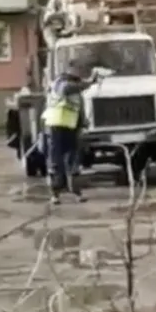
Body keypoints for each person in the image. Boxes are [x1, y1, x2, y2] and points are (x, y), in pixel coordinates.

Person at [41, 60, 97, 205]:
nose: (79, 73)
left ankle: (76, 192)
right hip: (56, 127)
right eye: (77, 69)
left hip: (71, 126)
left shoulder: (76, 87)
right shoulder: (60, 83)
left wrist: (83, 121)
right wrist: (90, 82)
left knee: (73, 161)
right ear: (70, 70)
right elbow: (67, 89)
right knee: (56, 161)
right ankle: (56, 194)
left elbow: (78, 106)